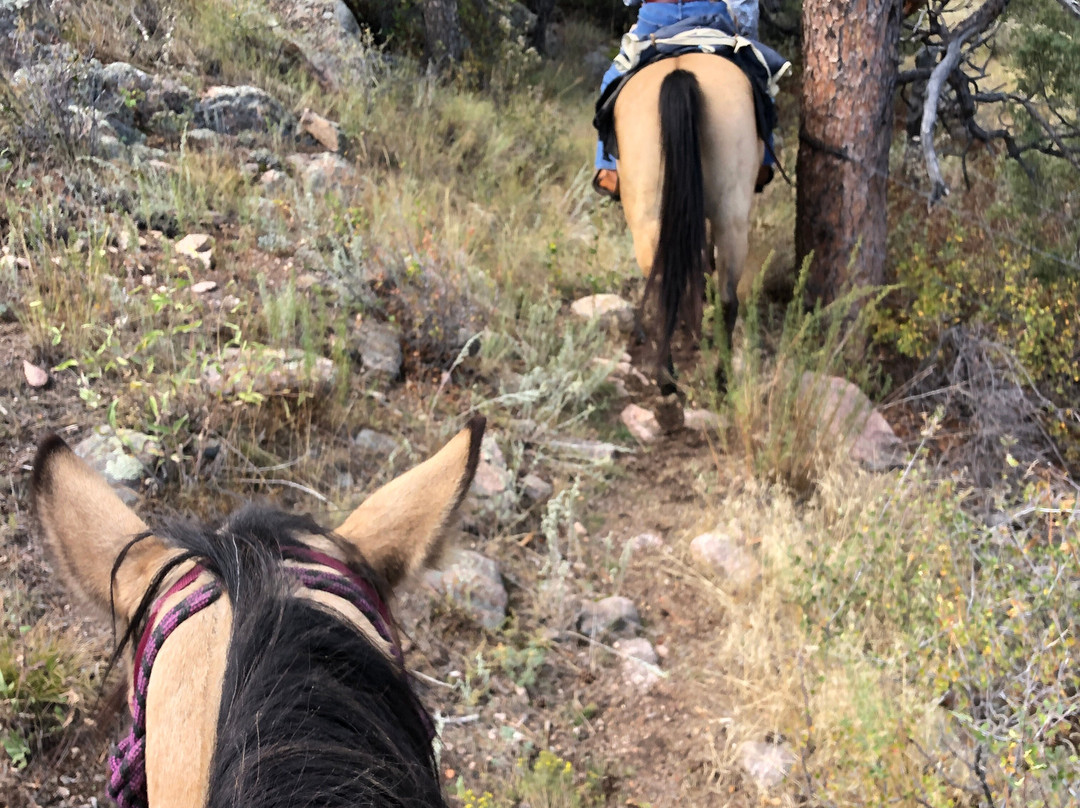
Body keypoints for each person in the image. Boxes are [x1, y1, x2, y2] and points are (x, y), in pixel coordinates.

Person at [593, 0, 771, 199]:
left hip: (655, 19)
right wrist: (746, 33)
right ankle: (764, 159)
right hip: (709, 17)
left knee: (610, 81)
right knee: (759, 78)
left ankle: (608, 167)